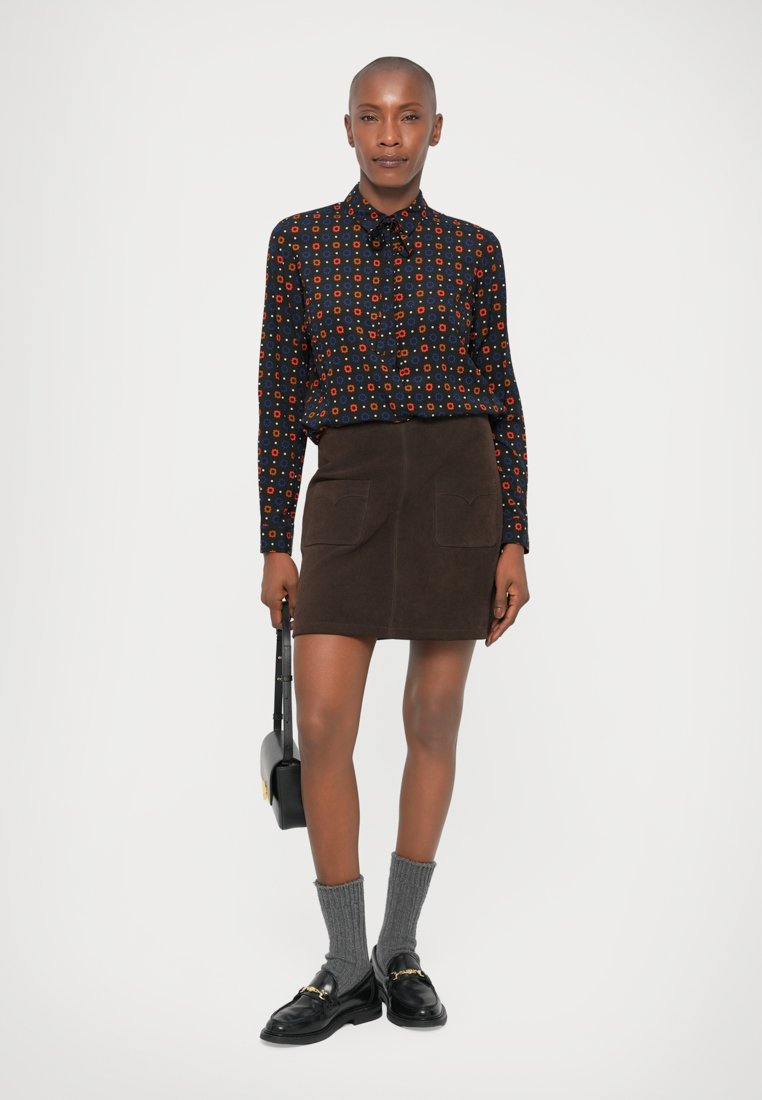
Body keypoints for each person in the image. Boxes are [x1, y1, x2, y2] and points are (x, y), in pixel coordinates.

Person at [258, 55, 530, 1045]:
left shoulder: (474, 250)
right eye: (371, 117)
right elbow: (279, 395)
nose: (389, 135)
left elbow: (503, 394)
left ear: (435, 129)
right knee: (326, 724)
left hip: (460, 487)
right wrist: (273, 539)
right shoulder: (299, 242)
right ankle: (346, 967)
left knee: (433, 719)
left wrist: (515, 534)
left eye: (409, 116)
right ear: (347, 128)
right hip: (350, 492)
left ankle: (400, 949)